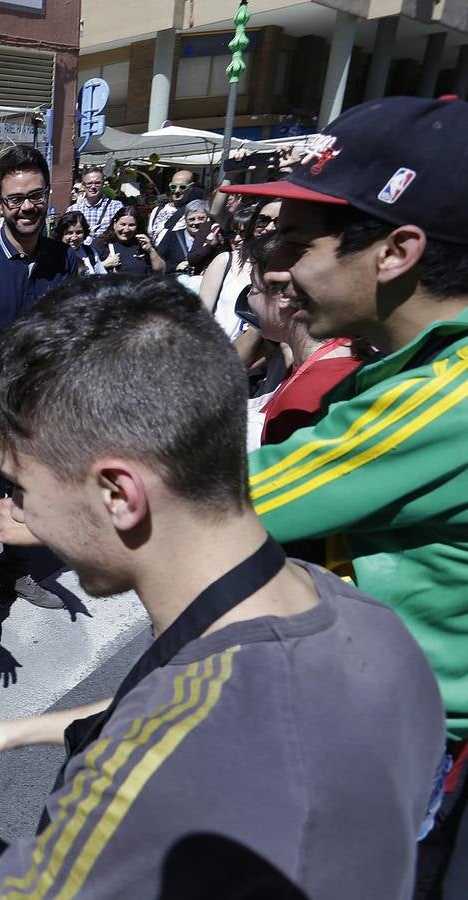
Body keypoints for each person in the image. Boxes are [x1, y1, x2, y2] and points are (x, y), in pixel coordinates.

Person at [0, 275, 445, 900]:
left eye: (20, 490)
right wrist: (25, 730)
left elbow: (168, 735)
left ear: (117, 494)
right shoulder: (372, 624)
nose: (22, 516)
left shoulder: (145, 773)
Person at [222, 97, 468, 896]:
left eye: (296, 243)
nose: (274, 267)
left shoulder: (442, 402)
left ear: (396, 250)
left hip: (398, 742)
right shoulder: (404, 370)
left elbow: (215, 504)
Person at [0, 146, 81, 643]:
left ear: (48, 196)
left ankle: (18, 573)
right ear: (0, 203)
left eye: (36, 196)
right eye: (15, 199)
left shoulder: (65, 258)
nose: (27, 207)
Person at [242, 233, 363, 448]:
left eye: (253, 289)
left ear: (284, 296)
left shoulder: (312, 393)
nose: (249, 301)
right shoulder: (318, 362)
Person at [195, 206, 257, 340]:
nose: (236, 239)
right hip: (219, 350)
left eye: (243, 233)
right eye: (232, 233)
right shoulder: (224, 261)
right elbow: (202, 314)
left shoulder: (271, 267)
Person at [94, 206, 164, 275]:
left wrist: (151, 250)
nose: (126, 229)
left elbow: (161, 271)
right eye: (123, 224)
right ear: (115, 224)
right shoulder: (101, 244)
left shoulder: (143, 245)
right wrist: (103, 265)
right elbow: (87, 272)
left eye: (131, 225)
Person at [156, 199, 212, 274]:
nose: (196, 222)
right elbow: (158, 262)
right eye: (191, 219)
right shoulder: (172, 236)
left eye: (201, 218)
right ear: (185, 220)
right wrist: (175, 267)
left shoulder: (213, 237)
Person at [67, 169, 123, 242]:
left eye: (97, 183)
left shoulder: (116, 207)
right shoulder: (73, 210)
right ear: (83, 186)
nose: (93, 186)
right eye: (89, 183)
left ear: (103, 185)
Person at [148, 169, 196, 242]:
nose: (177, 191)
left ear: (191, 187)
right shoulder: (157, 210)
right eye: (173, 186)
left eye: (182, 187)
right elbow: (150, 235)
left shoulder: (193, 213)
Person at [54, 210, 106, 275]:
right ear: (61, 234)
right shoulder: (53, 255)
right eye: (69, 233)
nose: (74, 237)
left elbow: (101, 277)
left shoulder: (90, 252)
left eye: (79, 232)